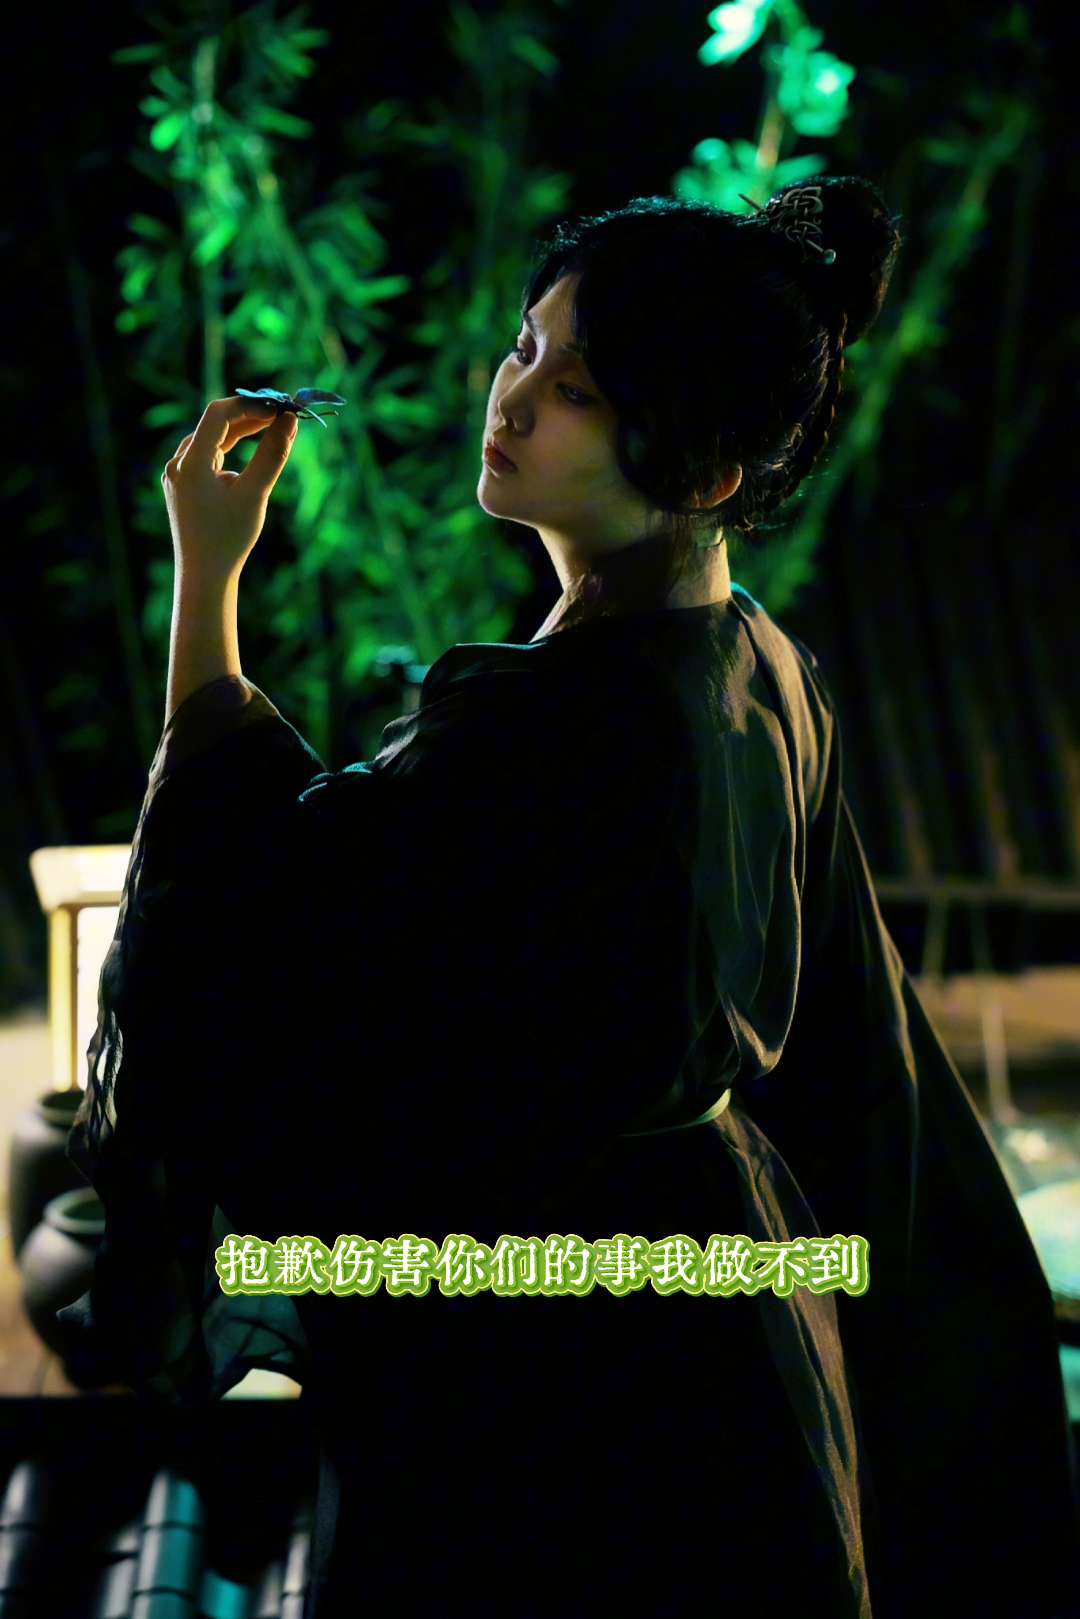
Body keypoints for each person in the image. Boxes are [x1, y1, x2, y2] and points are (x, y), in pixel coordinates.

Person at [55, 179, 1078, 1618]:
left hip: (564, 1361)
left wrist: (208, 575)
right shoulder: (758, 666)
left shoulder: (557, 722)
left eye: (578, 388)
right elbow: (853, 1062)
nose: (515, 398)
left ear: (702, 470)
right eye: (525, 348)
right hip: (732, 1289)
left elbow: (248, 912)